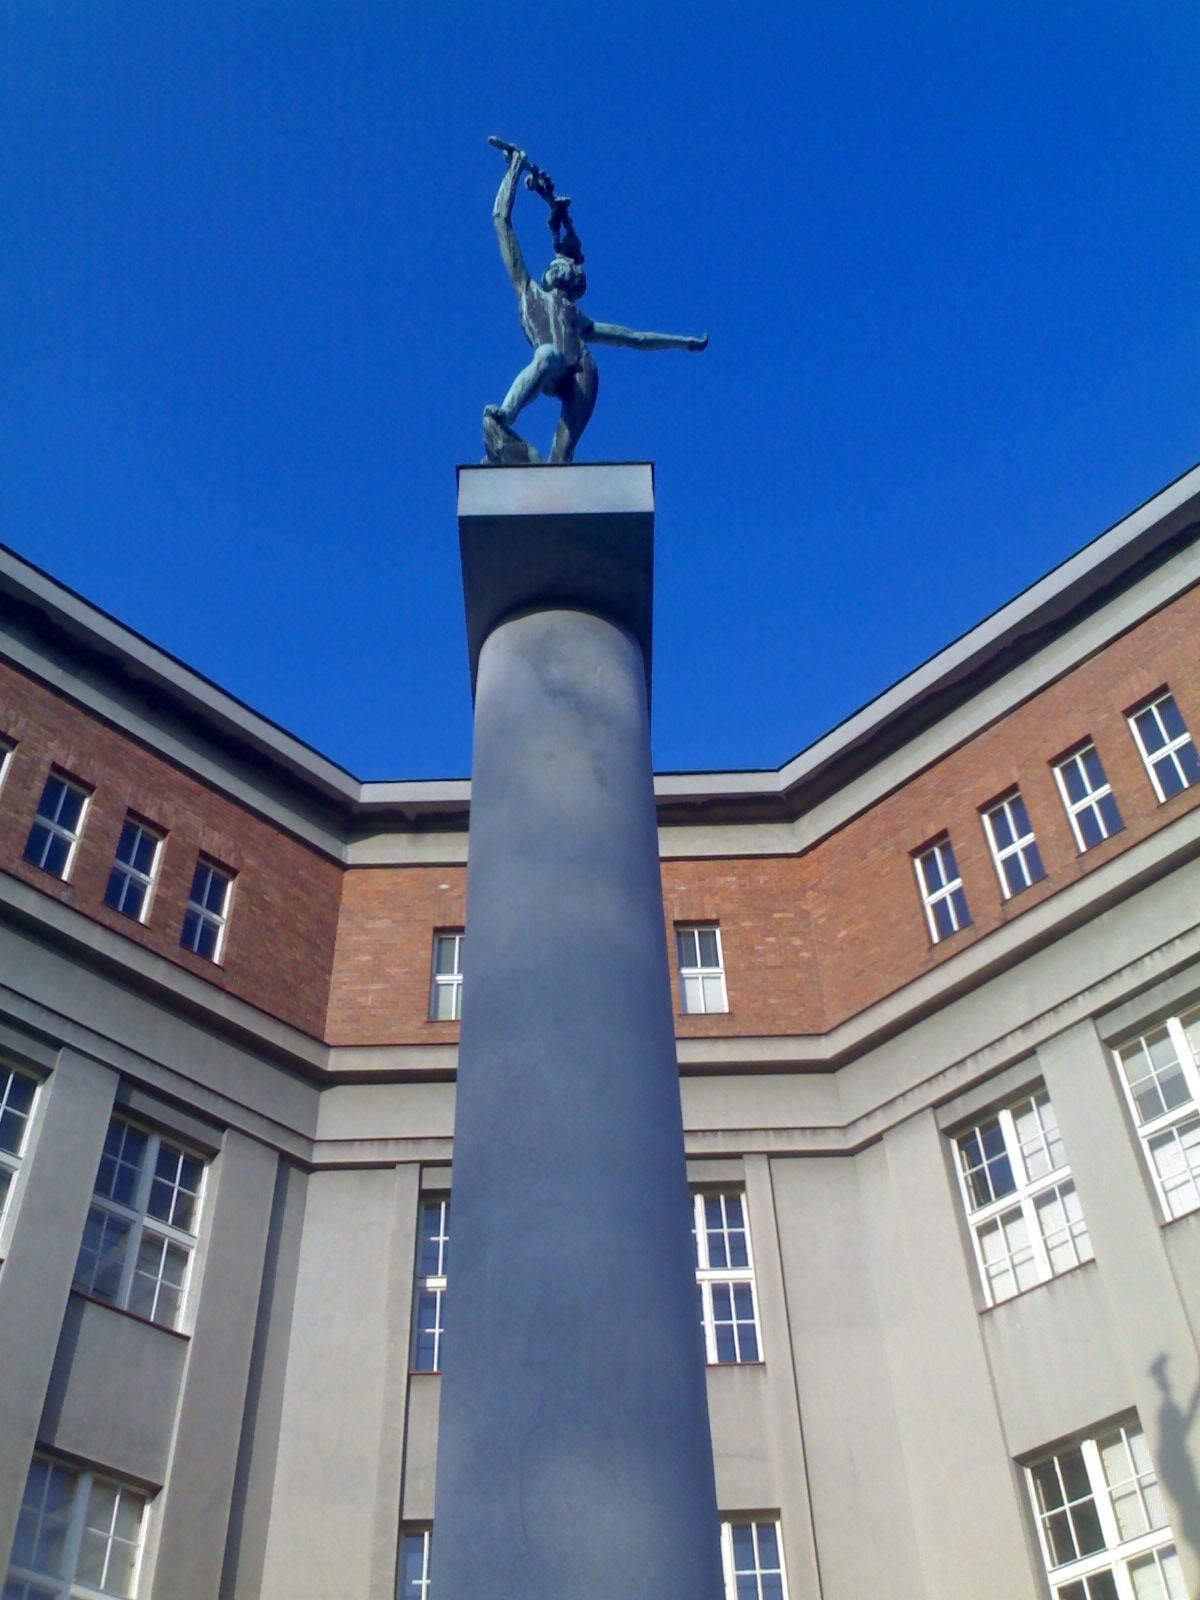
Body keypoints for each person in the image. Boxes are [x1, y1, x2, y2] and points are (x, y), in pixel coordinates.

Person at [484, 142, 708, 464]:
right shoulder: (529, 292)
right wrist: (515, 170)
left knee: (561, 457)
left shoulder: (578, 319)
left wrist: (683, 342)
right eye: (555, 265)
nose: (560, 266)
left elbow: (635, 338)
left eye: (566, 267)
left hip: (582, 371)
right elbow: (501, 220)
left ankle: (534, 469)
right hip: (551, 362)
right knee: (547, 354)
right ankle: (507, 413)